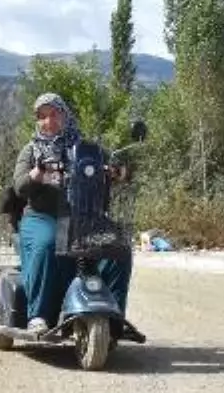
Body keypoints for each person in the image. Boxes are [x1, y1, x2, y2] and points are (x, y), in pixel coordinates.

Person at [11, 92, 133, 334]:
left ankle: (114, 317)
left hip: (84, 217)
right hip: (42, 216)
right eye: (42, 117)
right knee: (47, 244)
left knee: (119, 247)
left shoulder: (88, 150)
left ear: (65, 115)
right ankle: (39, 316)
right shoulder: (32, 150)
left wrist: (117, 172)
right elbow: (20, 186)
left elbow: (123, 172)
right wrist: (38, 174)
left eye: (54, 114)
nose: (49, 121)